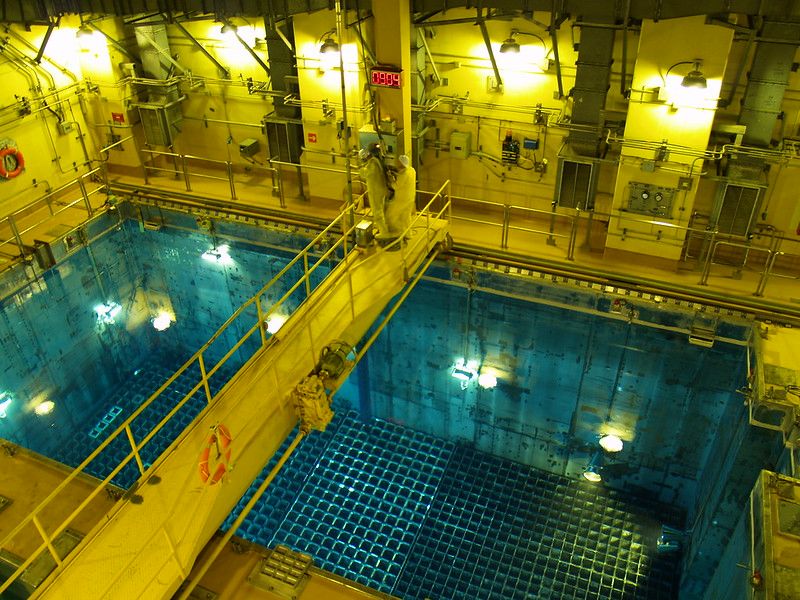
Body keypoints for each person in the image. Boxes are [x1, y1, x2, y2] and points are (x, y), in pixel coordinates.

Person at [358, 143, 390, 233]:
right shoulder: (379, 160)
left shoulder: (373, 163)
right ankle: (384, 229)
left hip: (376, 192)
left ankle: (384, 232)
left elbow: (365, 174)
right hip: (381, 189)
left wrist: (360, 164)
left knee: (377, 213)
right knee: (382, 211)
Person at [384, 154, 416, 236]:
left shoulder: (403, 175)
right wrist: (396, 173)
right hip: (410, 198)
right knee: (406, 217)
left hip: (401, 199)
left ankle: (396, 234)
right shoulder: (412, 170)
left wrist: (391, 179)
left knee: (390, 215)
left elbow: (396, 187)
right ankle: (408, 234)